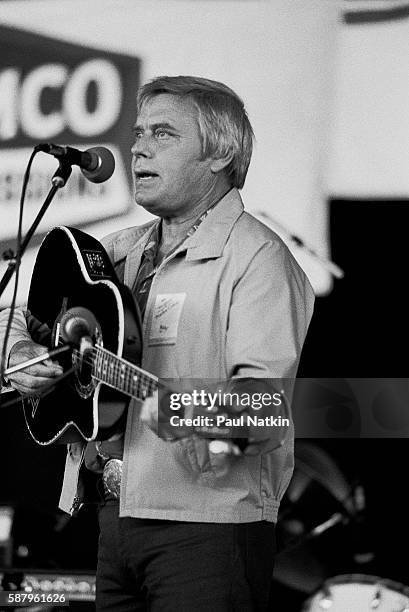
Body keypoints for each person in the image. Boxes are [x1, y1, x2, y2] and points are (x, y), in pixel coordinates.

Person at [0, 76, 314, 611]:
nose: (139, 147)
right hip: (110, 517)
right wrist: (19, 354)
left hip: (206, 531)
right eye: (139, 133)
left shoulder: (258, 261)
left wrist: (187, 411)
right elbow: (14, 315)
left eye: (163, 134)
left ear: (219, 154)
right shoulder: (115, 253)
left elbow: (263, 405)